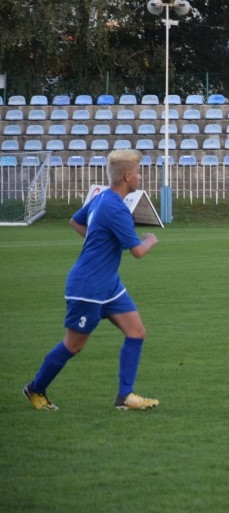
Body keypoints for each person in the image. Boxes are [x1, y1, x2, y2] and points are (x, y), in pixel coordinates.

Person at [23, 149, 160, 411]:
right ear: (128, 176)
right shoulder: (117, 209)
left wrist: (97, 239)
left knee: (136, 332)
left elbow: (75, 221)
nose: (141, 177)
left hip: (109, 284)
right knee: (74, 345)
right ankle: (35, 388)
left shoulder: (102, 199)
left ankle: (125, 397)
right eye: (139, 172)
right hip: (88, 286)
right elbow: (138, 252)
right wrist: (149, 240)